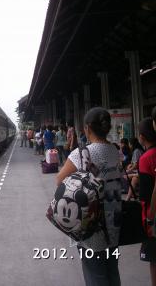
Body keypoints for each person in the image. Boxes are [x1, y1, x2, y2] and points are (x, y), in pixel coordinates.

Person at [56, 107, 122, 286]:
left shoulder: (81, 154)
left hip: (91, 221)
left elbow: (60, 181)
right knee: (112, 270)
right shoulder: (116, 151)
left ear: (87, 129)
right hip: (114, 218)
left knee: (95, 274)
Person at [137, 118, 156, 286]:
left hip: (153, 215)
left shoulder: (146, 158)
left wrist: (147, 218)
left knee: (154, 259)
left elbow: (145, 194)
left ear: (142, 137)